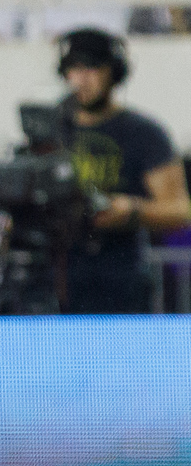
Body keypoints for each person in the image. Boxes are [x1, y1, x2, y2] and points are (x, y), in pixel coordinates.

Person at [57, 30, 191, 314]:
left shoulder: (143, 134)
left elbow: (181, 210)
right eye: (75, 68)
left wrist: (132, 211)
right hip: (58, 273)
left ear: (113, 73)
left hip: (121, 271)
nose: (82, 79)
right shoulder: (51, 131)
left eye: (92, 67)